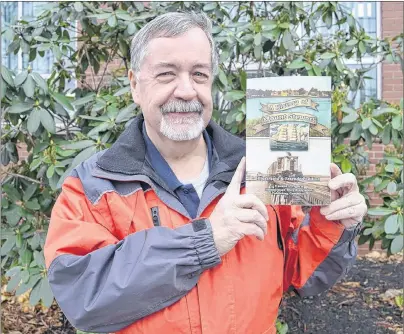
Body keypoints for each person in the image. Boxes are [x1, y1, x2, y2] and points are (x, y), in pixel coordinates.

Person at [44, 11, 367, 334]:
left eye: (199, 74)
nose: (186, 91)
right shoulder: (94, 185)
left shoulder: (261, 167)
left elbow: (302, 274)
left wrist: (334, 223)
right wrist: (205, 241)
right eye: (167, 75)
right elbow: (82, 296)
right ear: (134, 85)